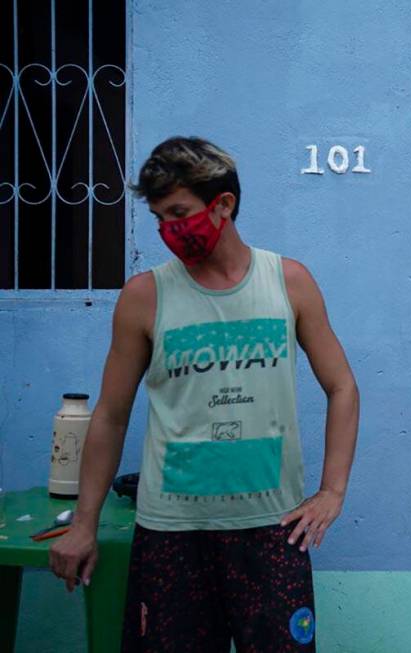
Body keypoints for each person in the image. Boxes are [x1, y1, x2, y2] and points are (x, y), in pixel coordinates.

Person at [49, 137, 360, 651]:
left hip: (272, 527)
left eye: (179, 212)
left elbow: (342, 385)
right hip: (172, 532)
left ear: (224, 205)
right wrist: (85, 523)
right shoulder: (145, 296)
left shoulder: (288, 282)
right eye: (159, 218)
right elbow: (109, 416)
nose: (170, 230)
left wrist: (332, 492)